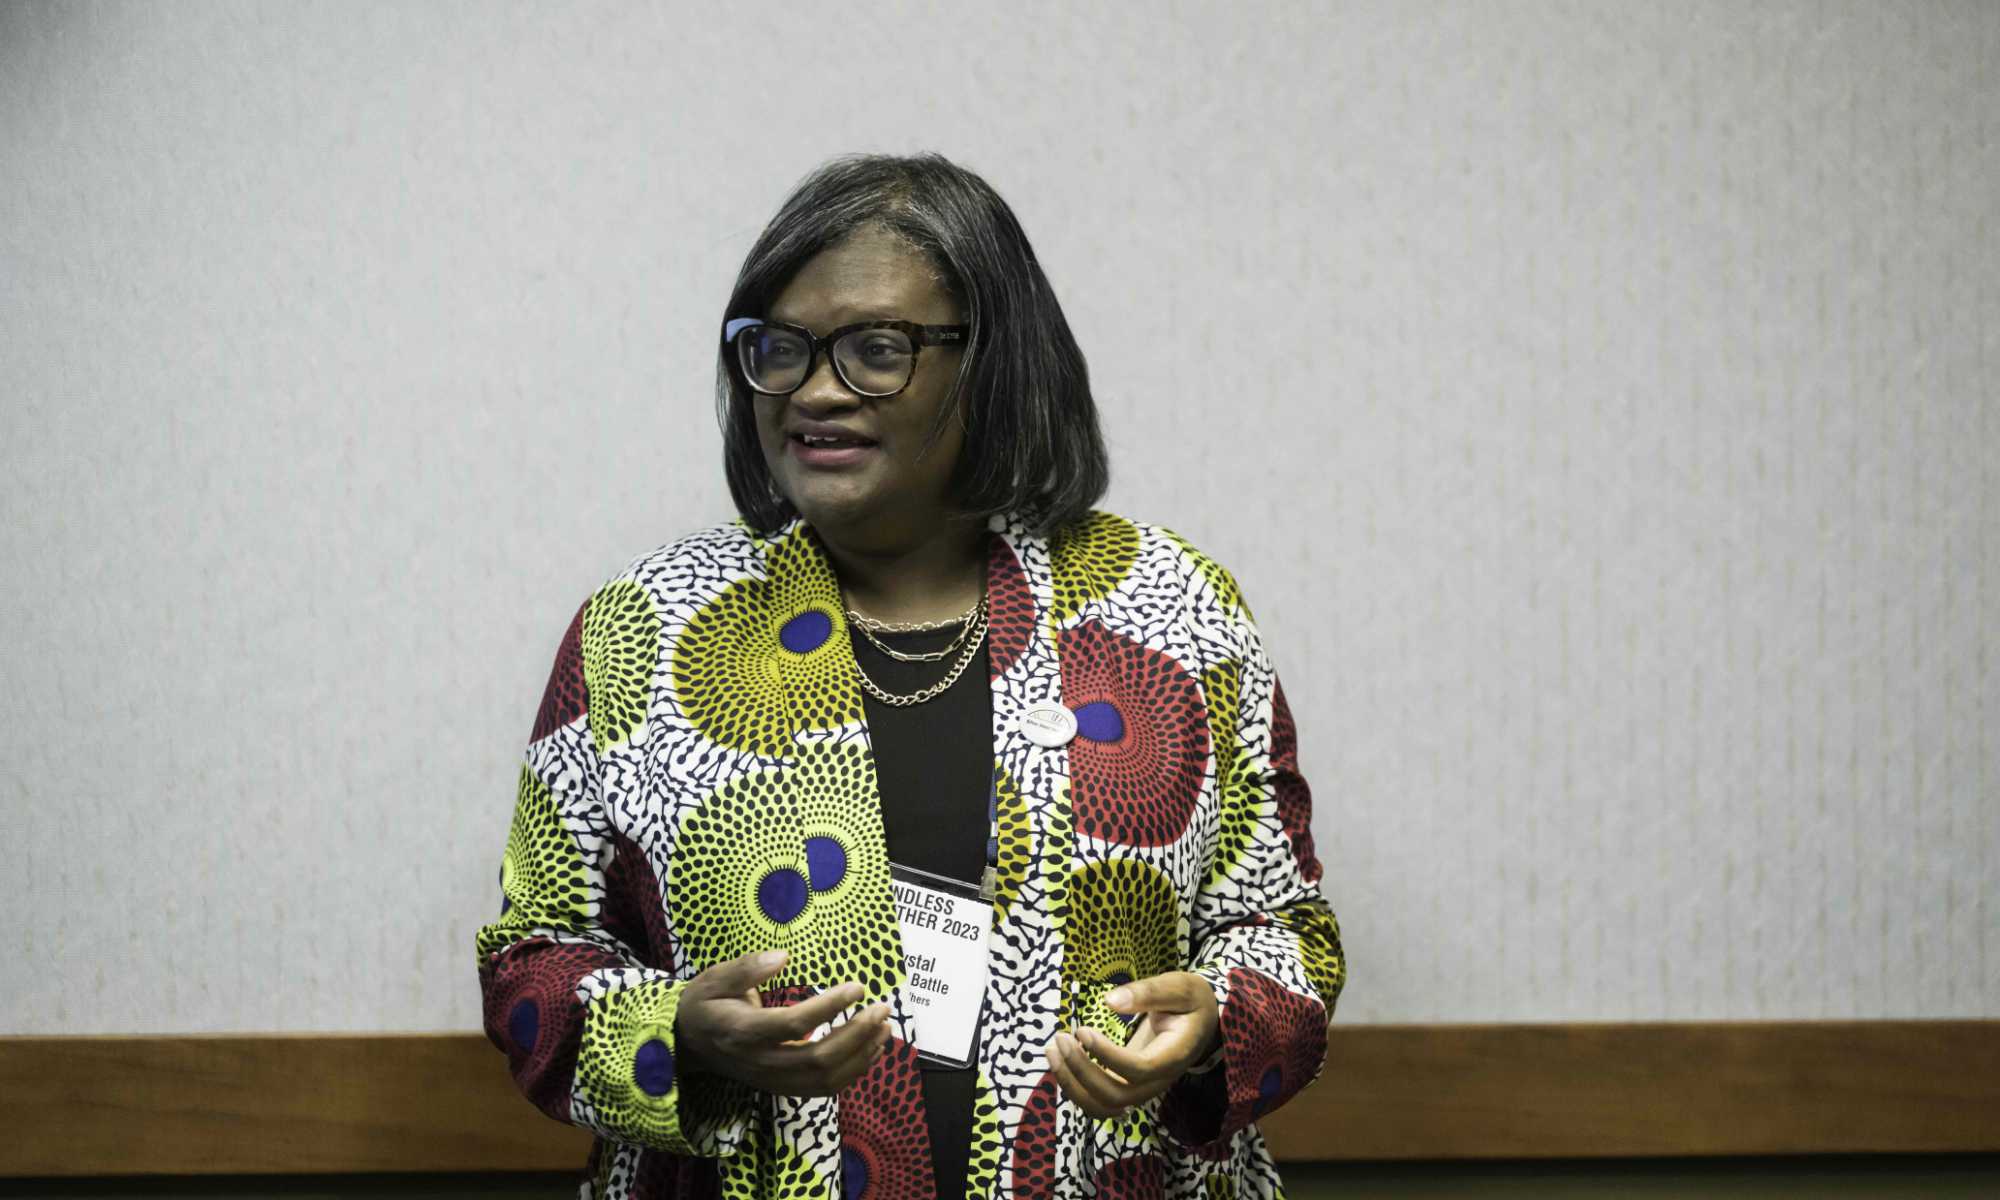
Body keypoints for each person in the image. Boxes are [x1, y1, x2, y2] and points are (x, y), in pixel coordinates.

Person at [476, 152, 1345, 1200]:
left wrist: (1214, 1022)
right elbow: (533, 956)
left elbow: (1281, 932)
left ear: (992, 362)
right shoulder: (642, 630)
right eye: (779, 349)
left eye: (876, 349)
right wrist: (677, 1038)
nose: (814, 391)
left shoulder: (1171, 609)